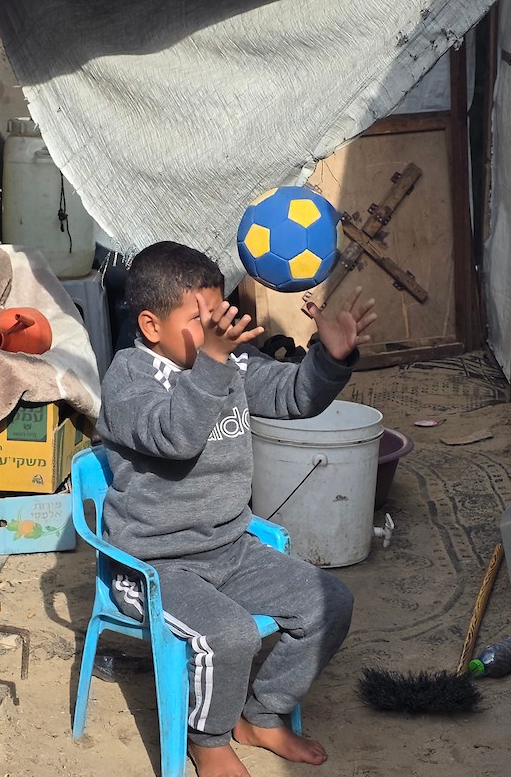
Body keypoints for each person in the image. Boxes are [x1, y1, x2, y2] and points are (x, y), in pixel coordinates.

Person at [96, 241, 377, 777]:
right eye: (201, 320)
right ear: (151, 326)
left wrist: (330, 357)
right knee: (230, 635)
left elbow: (295, 395)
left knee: (329, 604)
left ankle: (262, 714)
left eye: (219, 313)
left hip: (230, 547)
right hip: (152, 564)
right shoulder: (128, 381)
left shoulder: (228, 363)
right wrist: (214, 362)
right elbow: (175, 436)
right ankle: (208, 740)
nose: (217, 330)